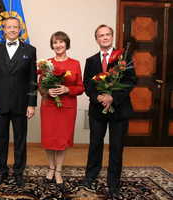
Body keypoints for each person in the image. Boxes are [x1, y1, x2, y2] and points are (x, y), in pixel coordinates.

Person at [83, 24, 136, 198]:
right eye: (101, 35)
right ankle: (91, 174)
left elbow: (130, 81)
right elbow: (88, 84)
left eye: (107, 35)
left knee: (116, 148)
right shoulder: (90, 61)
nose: (105, 37)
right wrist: (98, 97)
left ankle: (113, 182)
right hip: (98, 111)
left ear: (112, 37)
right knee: (95, 145)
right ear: (96, 39)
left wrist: (113, 97)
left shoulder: (124, 57)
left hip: (120, 110)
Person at [0, 17, 37, 189]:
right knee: (1, 139)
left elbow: (32, 79)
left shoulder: (30, 50)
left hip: (21, 103)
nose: (13, 30)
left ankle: (18, 172)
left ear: (20, 29)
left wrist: (32, 103)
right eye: (9, 27)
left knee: (20, 140)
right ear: (4, 29)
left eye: (16, 27)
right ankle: (1, 171)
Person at [40, 31, 84, 188]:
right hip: (49, 108)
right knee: (50, 139)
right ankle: (51, 168)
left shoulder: (75, 63)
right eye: (55, 42)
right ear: (52, 45)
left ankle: (58, 170)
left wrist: (67, 90)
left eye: (61, 42)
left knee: (62, 139)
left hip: (67, 108)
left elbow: (81, 87)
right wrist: (47, 91)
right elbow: (40, 86)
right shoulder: (46, 64)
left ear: (66, 43)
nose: (58, 45)